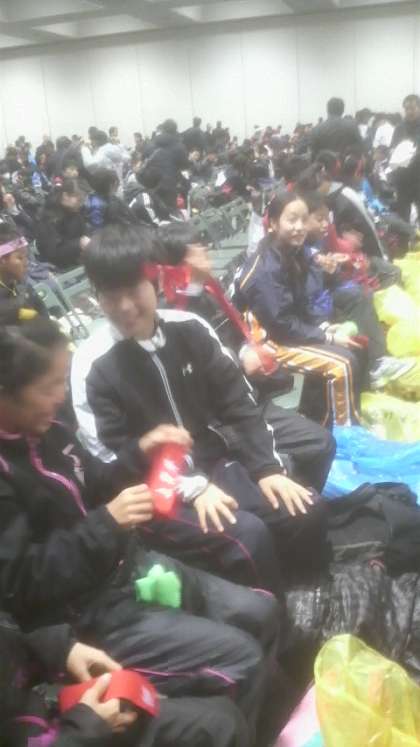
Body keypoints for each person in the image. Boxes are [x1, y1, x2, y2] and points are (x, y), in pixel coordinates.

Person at [0, 318, 282, 746]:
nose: (61, 397)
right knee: (241, 663)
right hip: (83, 617)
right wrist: (105, 524)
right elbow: (21, 583)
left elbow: (96, 482)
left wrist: (140, 452)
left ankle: (264, 724)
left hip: (128, 569)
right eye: (49, 387)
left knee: (262, 613)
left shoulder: (51, 431)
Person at [71, 223, 328, 591]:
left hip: (211, 463)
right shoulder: (92, 364)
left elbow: (240, 405)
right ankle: (273, 616)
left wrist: (267, 469)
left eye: (134, 290)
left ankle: (307, 595)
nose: (125, 307)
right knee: (248, 536)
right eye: (111, 296)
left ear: (157, 281)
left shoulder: (191, 329)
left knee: (305, 509)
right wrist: (191, 488)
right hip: (150, 492)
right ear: (97, 296)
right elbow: (111, 462)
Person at [156, 220, 336, 493]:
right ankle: (293, 498)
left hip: (247, 397)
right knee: (318, 445)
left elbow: (234, 335)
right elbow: (195, 379)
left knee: (322, 443)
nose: (206, 249)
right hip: (221, 417)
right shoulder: (172, 316)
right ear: (179, 261)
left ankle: (301, 495)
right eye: (198, 246)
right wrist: (238, 360)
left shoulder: (207, 294)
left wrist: (247, 351)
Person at [0, 612, 251, 747]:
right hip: (74, 734)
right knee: (241, 659)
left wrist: (57, 648)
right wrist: (85, 729)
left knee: (221, 722)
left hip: (43, 699)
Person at [234, 192, 365, 427]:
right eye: (292, 220)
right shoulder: (265, 269)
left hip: (289, 331)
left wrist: (324, 327)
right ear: (274, 223)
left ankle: (325, 422)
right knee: (343, 365)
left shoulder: (295, 253)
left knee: (354, 347)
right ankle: (345, 436)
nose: (299, 227)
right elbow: (281, 326)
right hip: (269, 343)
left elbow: (304, 302)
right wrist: (326, 337)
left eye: (303, 220)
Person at [303, 192, 414, 387]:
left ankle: (378, 359)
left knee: (362, 292)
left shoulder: (315, 241)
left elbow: (323, 274)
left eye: (327, 219)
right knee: (359, 295)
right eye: (319, 219)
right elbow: (302, 290)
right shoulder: (296, 247)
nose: (325, 224)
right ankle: (376, 363)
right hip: (309, 307)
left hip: (324, 292)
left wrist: (331, 266)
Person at [36, 179, 90, 269]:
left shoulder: (75, 211)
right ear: (65, 196)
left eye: (83, 200)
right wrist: (78, 244)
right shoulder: (48, 218)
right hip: (60, 267)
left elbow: (83, 233)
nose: (81, 204)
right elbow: (52, 253)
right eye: (79, 200)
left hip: (77, 260)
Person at [0, 223, 47, 325]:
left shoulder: (21, 283)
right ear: (2, 260)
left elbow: (41, 310)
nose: (26, 262)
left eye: (26, 256)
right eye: (20, 258)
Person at [140, 119, 190, 212]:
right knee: (169, 211)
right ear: (175, 130)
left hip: (151, 182)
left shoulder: (151, 143)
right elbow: (184, 166)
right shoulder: (179, 146)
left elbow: (143, 158)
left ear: (163, 129)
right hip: (169, 184)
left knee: (154, 209)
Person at [390, 94, 420, 221]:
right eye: (406, 109)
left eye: (412, 108)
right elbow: (392, 148)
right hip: (403, 178)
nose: (409, 112)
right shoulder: (400, 128)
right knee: (403, 215)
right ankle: (404, 233)